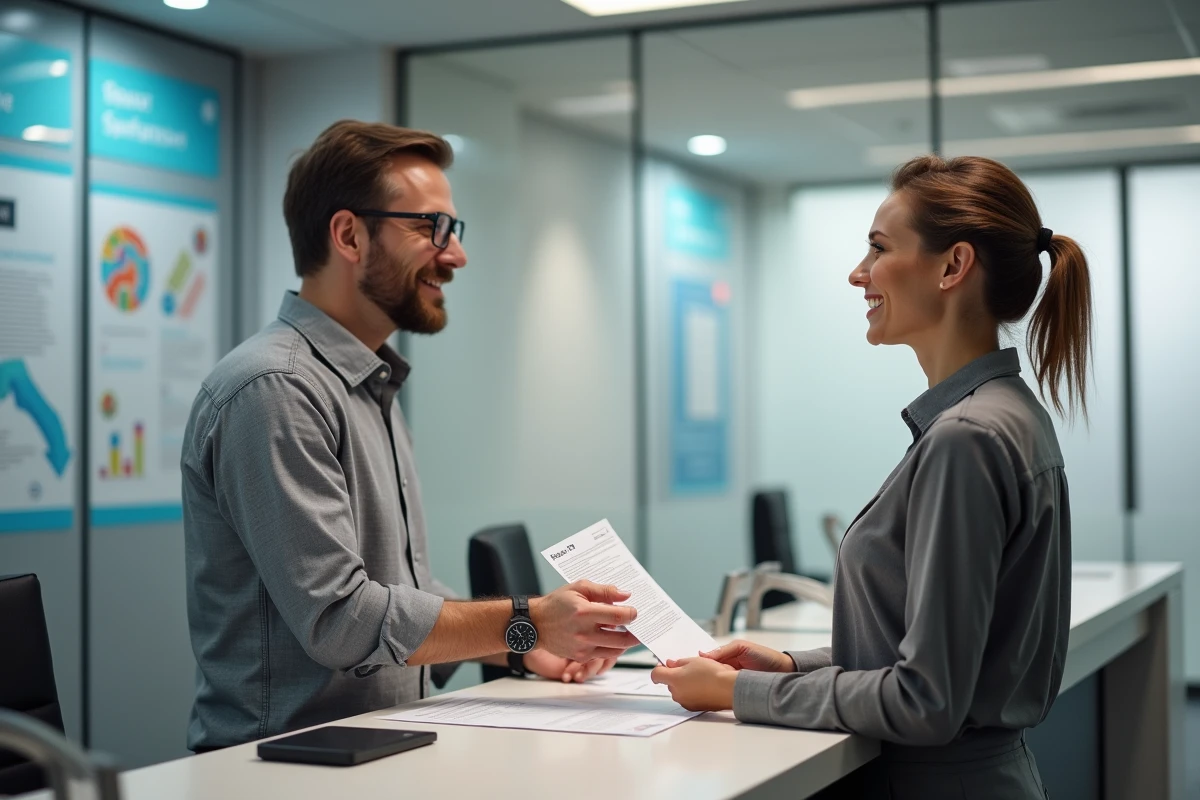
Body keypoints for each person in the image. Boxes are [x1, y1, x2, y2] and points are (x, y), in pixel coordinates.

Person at [181, 120, 638, 752]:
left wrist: (525, 646)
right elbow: (341, 619)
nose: (455, 255)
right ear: (348, 235)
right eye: (429, 228)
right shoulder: (275, 389)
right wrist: (525, 622)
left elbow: (405, 598)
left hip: (375, 751)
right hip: (282, 773)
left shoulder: (368, 385)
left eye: (453, 230)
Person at [652, 154, 1091, 799]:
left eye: (879, 249)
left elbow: (927, 700)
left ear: (952, 266)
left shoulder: (966, 439)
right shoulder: (1004, 414)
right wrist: (785, 665)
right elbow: (932, 658)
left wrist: (740, 692)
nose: (859, 274)